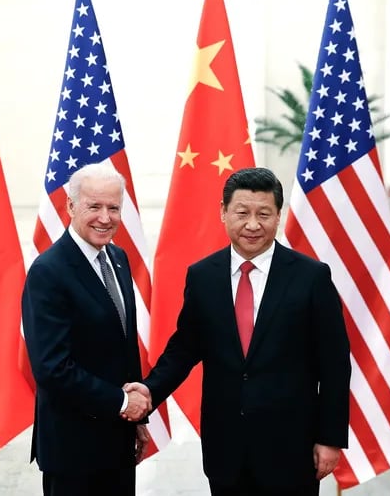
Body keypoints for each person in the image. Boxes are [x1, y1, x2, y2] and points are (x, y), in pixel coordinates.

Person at [127, 167, 351, 495]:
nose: (252, 225)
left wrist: (330, 439)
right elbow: (185, 347)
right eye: (242, 213)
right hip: (226, 448)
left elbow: (334, 365)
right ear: (223, 212)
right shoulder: (203, 276)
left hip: (291, 448)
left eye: (264, 214)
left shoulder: (311, 277)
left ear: (279, 216)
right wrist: (149, 391)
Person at [22, 162, 151, 496]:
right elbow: (52, 368)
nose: (105, 218)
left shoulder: (119, 259)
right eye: (94, 206)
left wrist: (136, 419)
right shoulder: (48, 271)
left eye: (114, 208)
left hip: (118, 443)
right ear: (70, 206)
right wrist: (124, 403)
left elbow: (124, 343)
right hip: (73, 451)